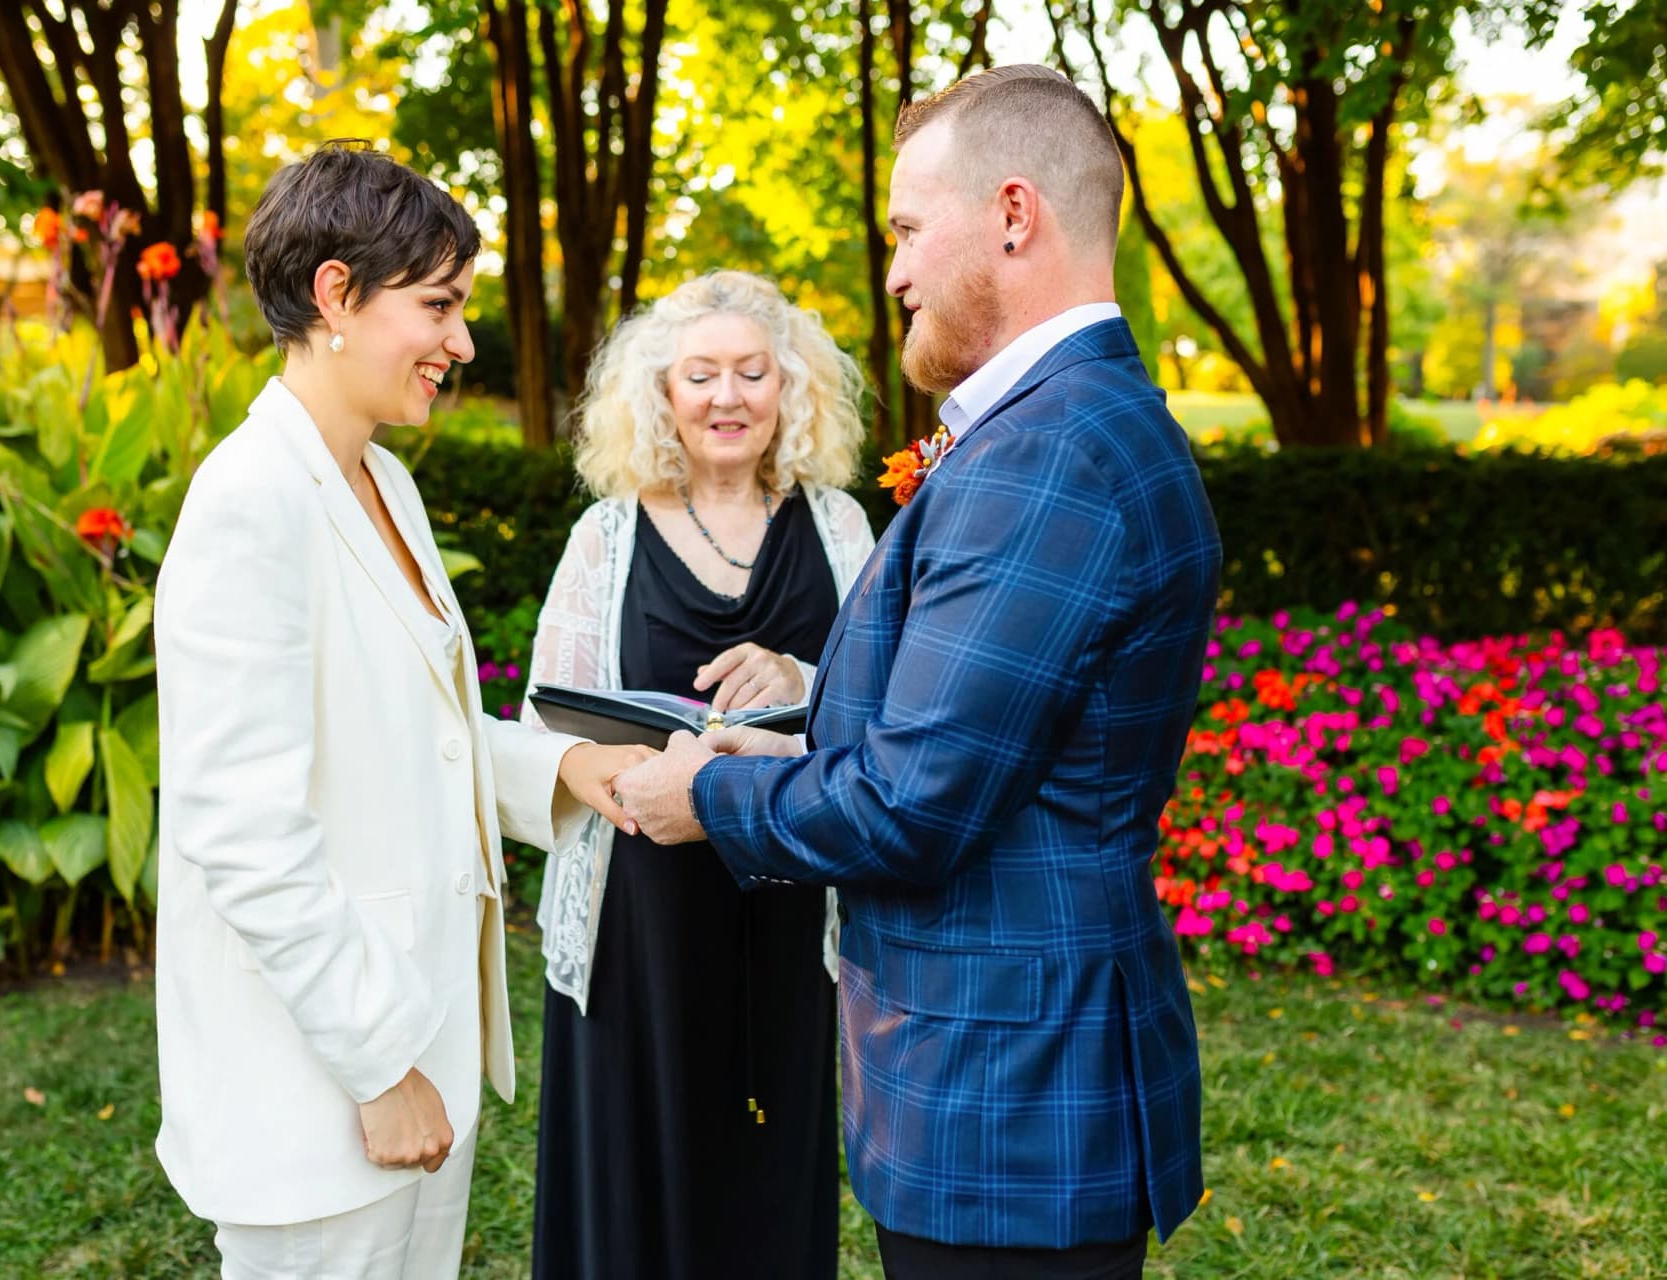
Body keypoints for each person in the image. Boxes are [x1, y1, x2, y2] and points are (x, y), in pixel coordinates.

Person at [616, 66, 1221, 1280]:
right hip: (1013, 1077)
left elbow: (911, 807)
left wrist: (706, 796)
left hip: (1011, 1099)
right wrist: (792, 748)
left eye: (904, 229)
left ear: (1012, 215)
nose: (891, 272)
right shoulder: (1068, 421)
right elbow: (982, 750)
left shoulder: (1047, 455)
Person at [152, 144, 647, 1280]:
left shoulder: (385, 480)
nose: (462, 342)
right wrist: (380, 1064)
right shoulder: (250, 503)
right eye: (440, 304)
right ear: (336, 294)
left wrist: (566, 772)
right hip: (324, 1081)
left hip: (424, 1041)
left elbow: (409, 732)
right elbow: (242, 826)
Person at [522, 270, 875, 1279]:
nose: (727, 397)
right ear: (661, 396)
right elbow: (548, 717)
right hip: (639, 921)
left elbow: (894, 713)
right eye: (701, 375)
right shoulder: (608, 535)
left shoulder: (843, 528)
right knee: (642, 1183)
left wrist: (806, 673)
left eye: (752, 373)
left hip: (788, 902)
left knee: (767, 1178)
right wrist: (618, 764)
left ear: (790, 388)